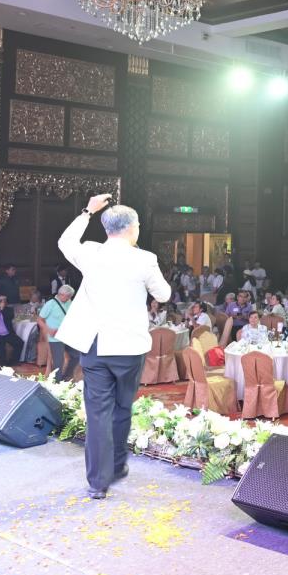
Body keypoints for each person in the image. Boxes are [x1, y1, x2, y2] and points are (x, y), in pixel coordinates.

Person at [56, 194, 171, 500]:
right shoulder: (144, 259)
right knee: (122, 407)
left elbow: (65, 242)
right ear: (132, 228)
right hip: (129, 347)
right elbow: (164, 294)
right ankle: (117, 465)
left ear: (107, 229)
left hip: (95, 344)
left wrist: (87, 212)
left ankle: (98, 482)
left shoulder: (91, 252)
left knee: (97, 414)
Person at [38, 285, 78, 382]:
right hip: (55, 338)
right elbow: (40, 320)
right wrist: (49, 330)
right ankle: (57, 382)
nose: (69, 298)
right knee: (58, 362)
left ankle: (66, 377)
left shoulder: (69, 302)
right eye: (68, 296)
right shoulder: (50, 304)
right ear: (61, 294)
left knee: (77, 356)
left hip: (68, 336)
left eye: (70, 296)